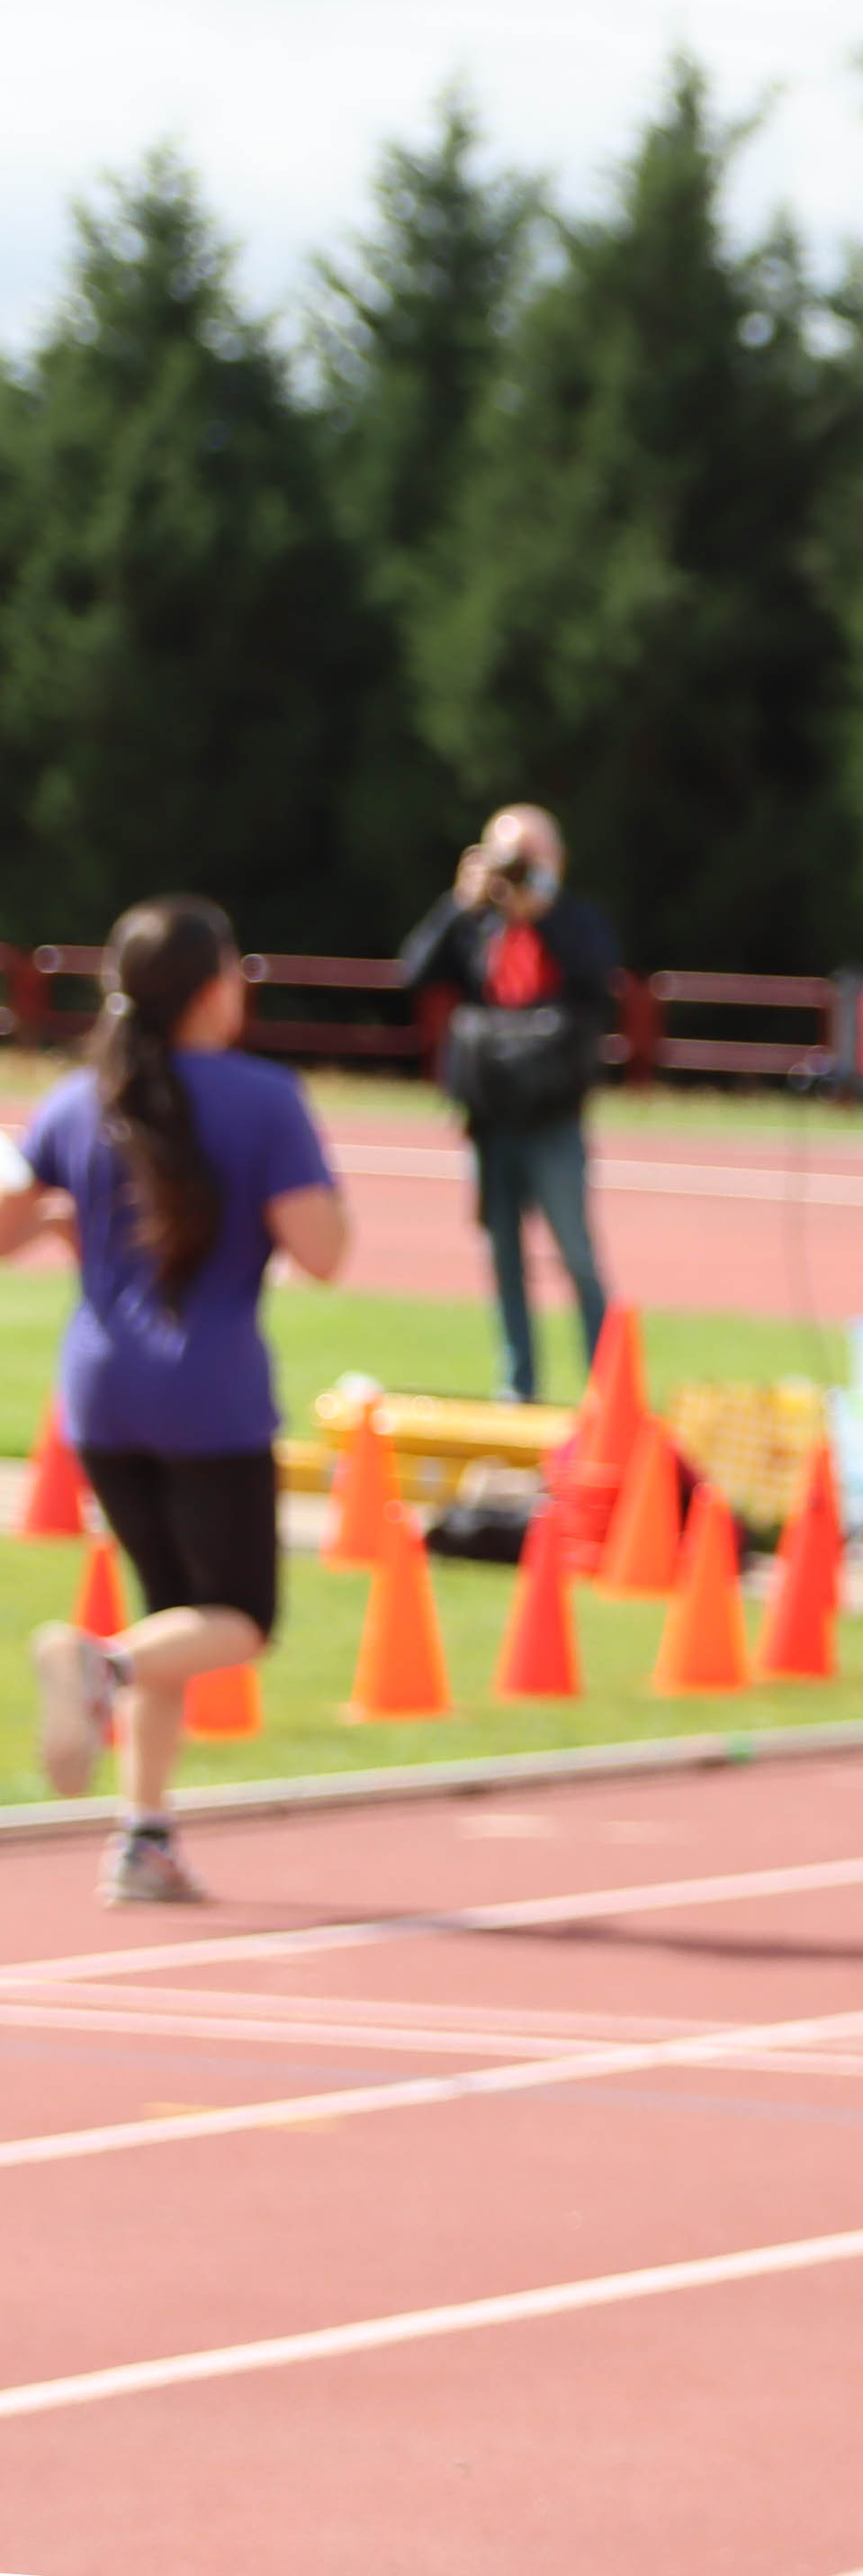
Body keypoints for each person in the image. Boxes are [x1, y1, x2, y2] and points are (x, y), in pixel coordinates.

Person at [2, 899, 350, 1904]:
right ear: (209, 989)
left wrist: (65, 1217)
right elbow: (323, 1252)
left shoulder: (80, 1099)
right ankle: (101, 1668)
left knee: (175, 1617)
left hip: (102, 1397)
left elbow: (5, 1227)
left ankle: (143, 1837)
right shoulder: (264, 1099)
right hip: (211, 1394)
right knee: (240, 1618)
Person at [393, 803, 619, 1403]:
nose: (517, 873)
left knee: (578, 1256)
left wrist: (543, 912)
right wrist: (457, 903)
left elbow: (599, 984)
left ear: (557, 859)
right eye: (508, 860)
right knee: (503, 1260)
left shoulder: (578, 920)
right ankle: (518, 1389)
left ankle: (606, 1391)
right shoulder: (476, 923)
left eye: (529, 859)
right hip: (491, 1119)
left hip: (553, 1116)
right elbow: (413, 972)